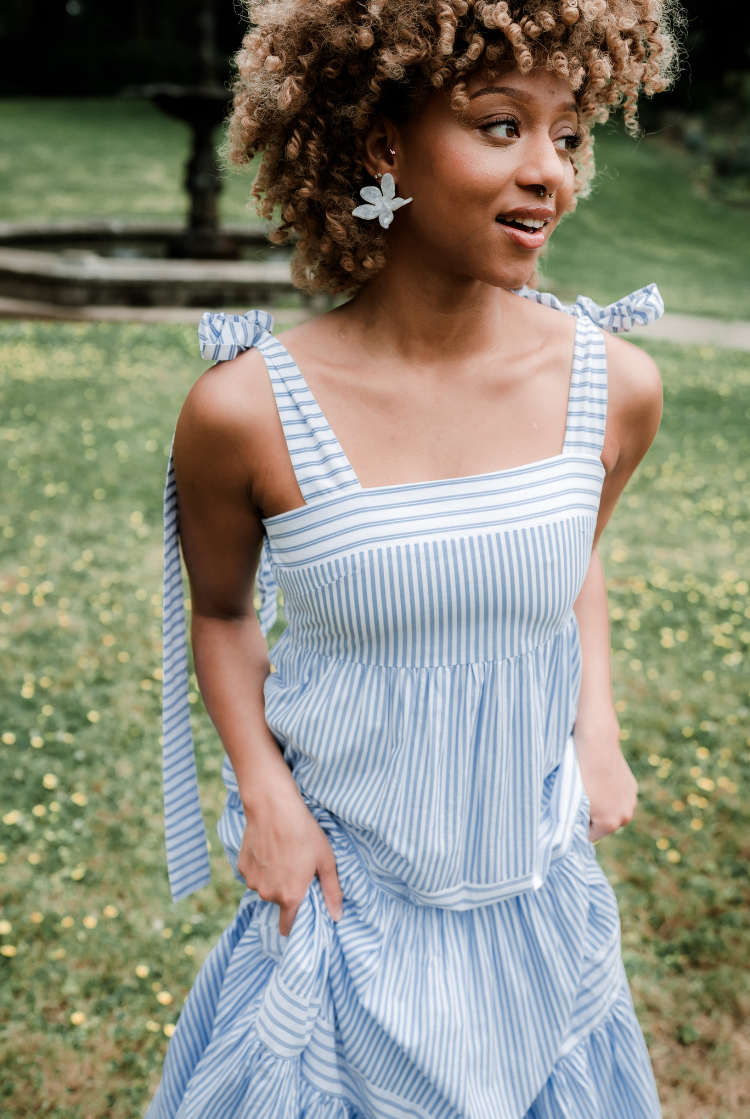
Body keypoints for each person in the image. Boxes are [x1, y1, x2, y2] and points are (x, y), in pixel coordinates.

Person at [147, 2, 681, 1116]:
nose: (551, 174)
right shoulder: (245, 412)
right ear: (384, 146)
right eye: (500, 127)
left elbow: (562, 562)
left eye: (568, 134)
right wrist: (267, 798)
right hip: (344, 916)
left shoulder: (614, 388)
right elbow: (225, 615)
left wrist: (600, 730)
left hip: (536, 903)